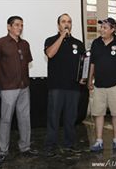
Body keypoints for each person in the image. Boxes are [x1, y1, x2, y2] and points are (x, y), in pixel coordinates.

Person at [0, 16, 38, 163]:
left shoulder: (25, 44)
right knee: (6, 119)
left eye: (21, 25)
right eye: (17, 25)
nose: (20, 28)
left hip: (24, 86)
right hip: (8, 87)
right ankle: (2, 150)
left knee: (25, 118)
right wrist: (1, 80)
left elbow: (27, 63)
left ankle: (25, 147)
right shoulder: (0, 43)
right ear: (9, 27)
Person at [88, 18, 116, 152]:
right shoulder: (96, 43)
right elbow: (92, 63)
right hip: (99, 85)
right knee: (98, 113)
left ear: (113, 29)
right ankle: (99, 141)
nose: (101, 30)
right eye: (101, 27)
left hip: (115, 85)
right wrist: (90, 79)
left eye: (105, 27)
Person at [44, 13, 85, 157]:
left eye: (69, 22)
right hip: (56, 86)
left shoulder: (78, 43)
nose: (66, 24)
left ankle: (70, 144)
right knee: (53, 118)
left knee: (71, 118)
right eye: (63, 21)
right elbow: (50, 54)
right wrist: (62, 36)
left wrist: (83, 77)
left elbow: (83, 63)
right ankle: (50, 145)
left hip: (73, 87)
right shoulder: (51, 40)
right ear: (58, 25)